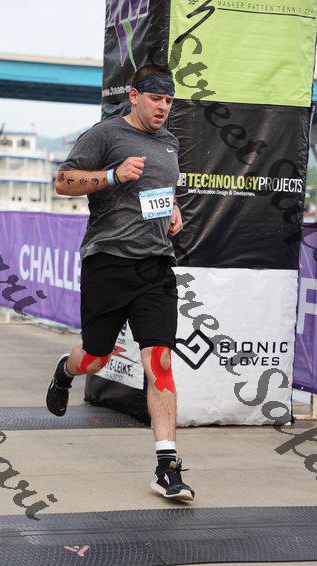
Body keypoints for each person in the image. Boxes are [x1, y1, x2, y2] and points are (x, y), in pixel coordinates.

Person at [46, 64, 195, 502]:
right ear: (134, 96)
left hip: (155, 266)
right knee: (95, 358)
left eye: (169, 101)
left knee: (160, 362)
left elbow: (158, 194)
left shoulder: (170, 143)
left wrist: (171, 211)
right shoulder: (105, 135)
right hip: (108, 263)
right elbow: (62, 181)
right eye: (156, 99)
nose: (163, 107)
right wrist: (112, 175)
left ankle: (167, 466)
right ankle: (66, 369)